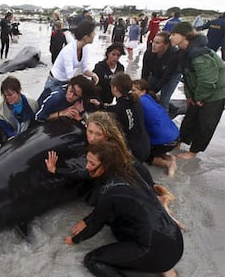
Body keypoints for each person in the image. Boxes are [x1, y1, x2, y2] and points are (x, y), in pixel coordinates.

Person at [55, 141, 183, 277]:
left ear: (105, 166)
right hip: (175, 240)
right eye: (87, 161)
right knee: (117, 223)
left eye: (92, 164)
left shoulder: (111, 192)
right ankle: (164, 267)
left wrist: (74, 240)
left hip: (157, 252)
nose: (87, 167)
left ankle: (159, 264)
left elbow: (95, 225)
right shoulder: (130, 171)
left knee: (92, 260)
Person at [170, 22, 225, 159]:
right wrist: (190, 96)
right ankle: (181, 140)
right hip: (199, 89)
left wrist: (200, 97)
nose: (170, 37)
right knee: (190, 116)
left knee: (206, 122)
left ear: (184, 36)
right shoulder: (184, 52)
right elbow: (187, 76)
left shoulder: (198, 53)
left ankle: (194, 151)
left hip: (217, 91)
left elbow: (208, 80)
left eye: (174, 34)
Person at [90, 74, 150, 163]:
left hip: (134, 153)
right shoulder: (135, 100)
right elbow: (116, 109)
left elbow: (114, 111)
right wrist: (100, 105)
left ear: (115, 89)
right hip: (145, 146)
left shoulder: (118, 109)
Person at [132, 79, 179, 177]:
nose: (131, 93)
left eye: (134, 90)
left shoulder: (139, 102)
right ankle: (168, 157)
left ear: (143, 91)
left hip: (165, 142)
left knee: (142, 155)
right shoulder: (150, 98)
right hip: (175, 138)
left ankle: (168, 164)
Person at [45, 20, 99, 92]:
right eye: (93, 32)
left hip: (66, 81)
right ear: (85, 37)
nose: (95, 34)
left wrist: (93, 75)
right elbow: (70, 77)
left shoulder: (85, 47)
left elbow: (85, 69)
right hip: (54, 82)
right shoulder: (69, 50)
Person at [141, 31, 181, 112]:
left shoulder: (174, 55)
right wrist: (142, 87)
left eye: (158, 43)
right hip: (156, 73)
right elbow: (145, 71)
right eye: (153, 42)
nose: (154, 45)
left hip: (171, 76)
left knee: (164, 100)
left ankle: (164, 120)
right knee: (144, 93)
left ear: (166, 45)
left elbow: (166, 77)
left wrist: (154, 90)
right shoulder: (149, 52)